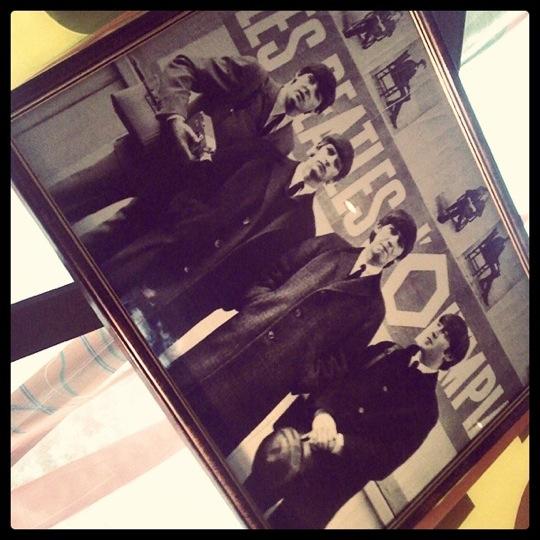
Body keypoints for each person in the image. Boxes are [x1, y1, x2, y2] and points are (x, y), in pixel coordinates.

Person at [166, 210, 417, 456]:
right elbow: (278, 269)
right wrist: (257, 306)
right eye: (392, 231)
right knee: (173, 391)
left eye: (400, 244)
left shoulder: (373, 307)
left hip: (270, 379)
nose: (391, 242)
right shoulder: (331, 246)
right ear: (378, 228)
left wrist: (303, 373)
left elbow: (340, 362)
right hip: (238, 337)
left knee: (202, 442)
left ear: (397, 258)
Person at [98, 135, 354, 350]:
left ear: (332, 180)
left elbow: (266, 276)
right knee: (99, 300)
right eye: (329, 152)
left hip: (194, 300)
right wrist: (182, 226)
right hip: (165, 253)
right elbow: (205, 178)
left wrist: (226, 296)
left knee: (126, 349)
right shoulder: (264, 158)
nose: (328, 161)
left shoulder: (305, 228)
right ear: (316, 147)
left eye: (336, 165)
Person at [50, 55, 337, 225]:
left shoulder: (284, 145)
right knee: (66, 196)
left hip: (169, 198)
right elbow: (184, 66)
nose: (309, 90)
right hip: (149, 154)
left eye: (317, 95)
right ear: (298, 75)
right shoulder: (252, 76)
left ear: (315, 110)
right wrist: (175, 118)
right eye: (310, 80)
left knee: (96, 241)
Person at [244, 314, 470, 529]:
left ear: (449, 357)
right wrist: (323, 413)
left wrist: (339, 443)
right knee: (247, 502)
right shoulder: (387, 351)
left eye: (445, 334)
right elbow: (336, 378)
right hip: (295, 447)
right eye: (439, 324)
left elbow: (386, 459)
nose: (435, 331)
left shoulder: (426, 410)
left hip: (326, 486)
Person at [385, 57, 426, 128]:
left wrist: (408, 88)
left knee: (407, 97)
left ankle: (391, 104)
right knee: (404, 96)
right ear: (420, 64)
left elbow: (407, 79)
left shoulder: (414, 69)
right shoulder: (411, 64)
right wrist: (405, 85)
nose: (421, 69)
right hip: (397, 76)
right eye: (422, 67)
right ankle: (394, 115)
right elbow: (402, 74)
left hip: (401, 80)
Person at [477, 233, 508, 305]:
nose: (507, 239)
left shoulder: (503, 246)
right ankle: (484, 290)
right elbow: (490, 246)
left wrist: (498, 264)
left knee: (496, 273)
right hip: (486, 253)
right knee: (494, 274)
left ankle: (484, 285)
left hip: (491, 258)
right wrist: (494, 261)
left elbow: (497, 256)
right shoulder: (499, 239)